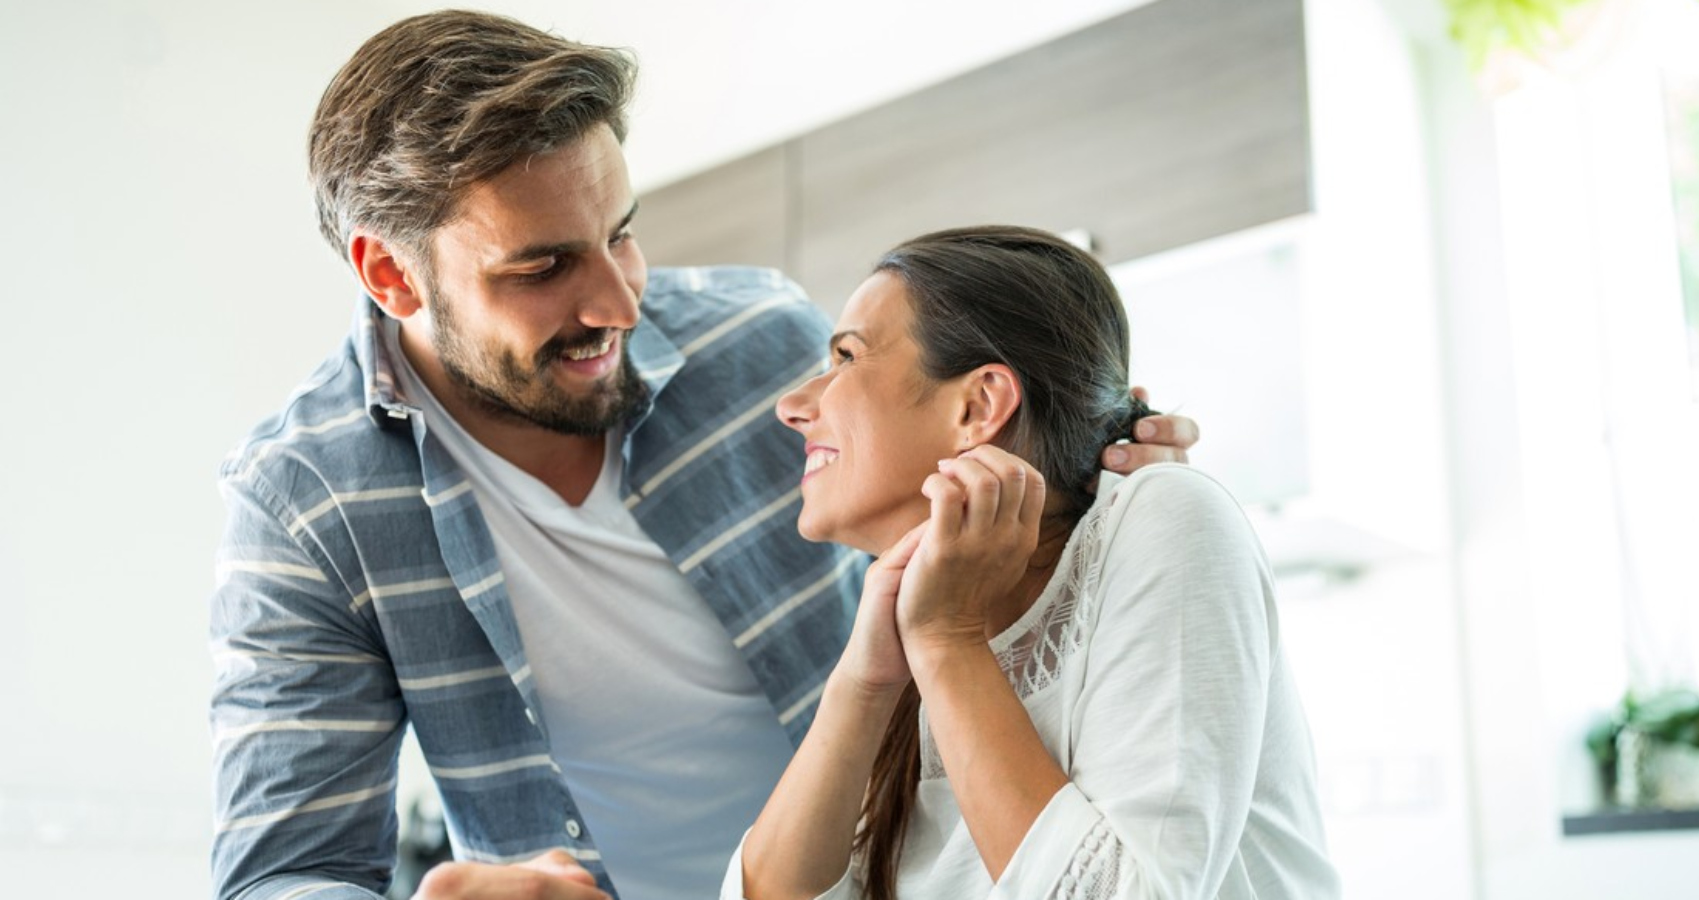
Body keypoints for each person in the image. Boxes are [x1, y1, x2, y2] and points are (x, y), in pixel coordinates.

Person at [207, 12, 1198, 900]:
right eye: (544, 267)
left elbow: (981, 555)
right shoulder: (304, 500)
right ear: (390, 273)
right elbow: (285, 873)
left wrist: (1089, 464)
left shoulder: (757, 337)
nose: (620, 304)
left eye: (621, 234)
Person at [730, 226, 1338, 900]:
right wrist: (865, 682)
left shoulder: (1165, 514)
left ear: (979, 404)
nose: (792, 406)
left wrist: (946, 641)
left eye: (847, 356)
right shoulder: (901, 615)